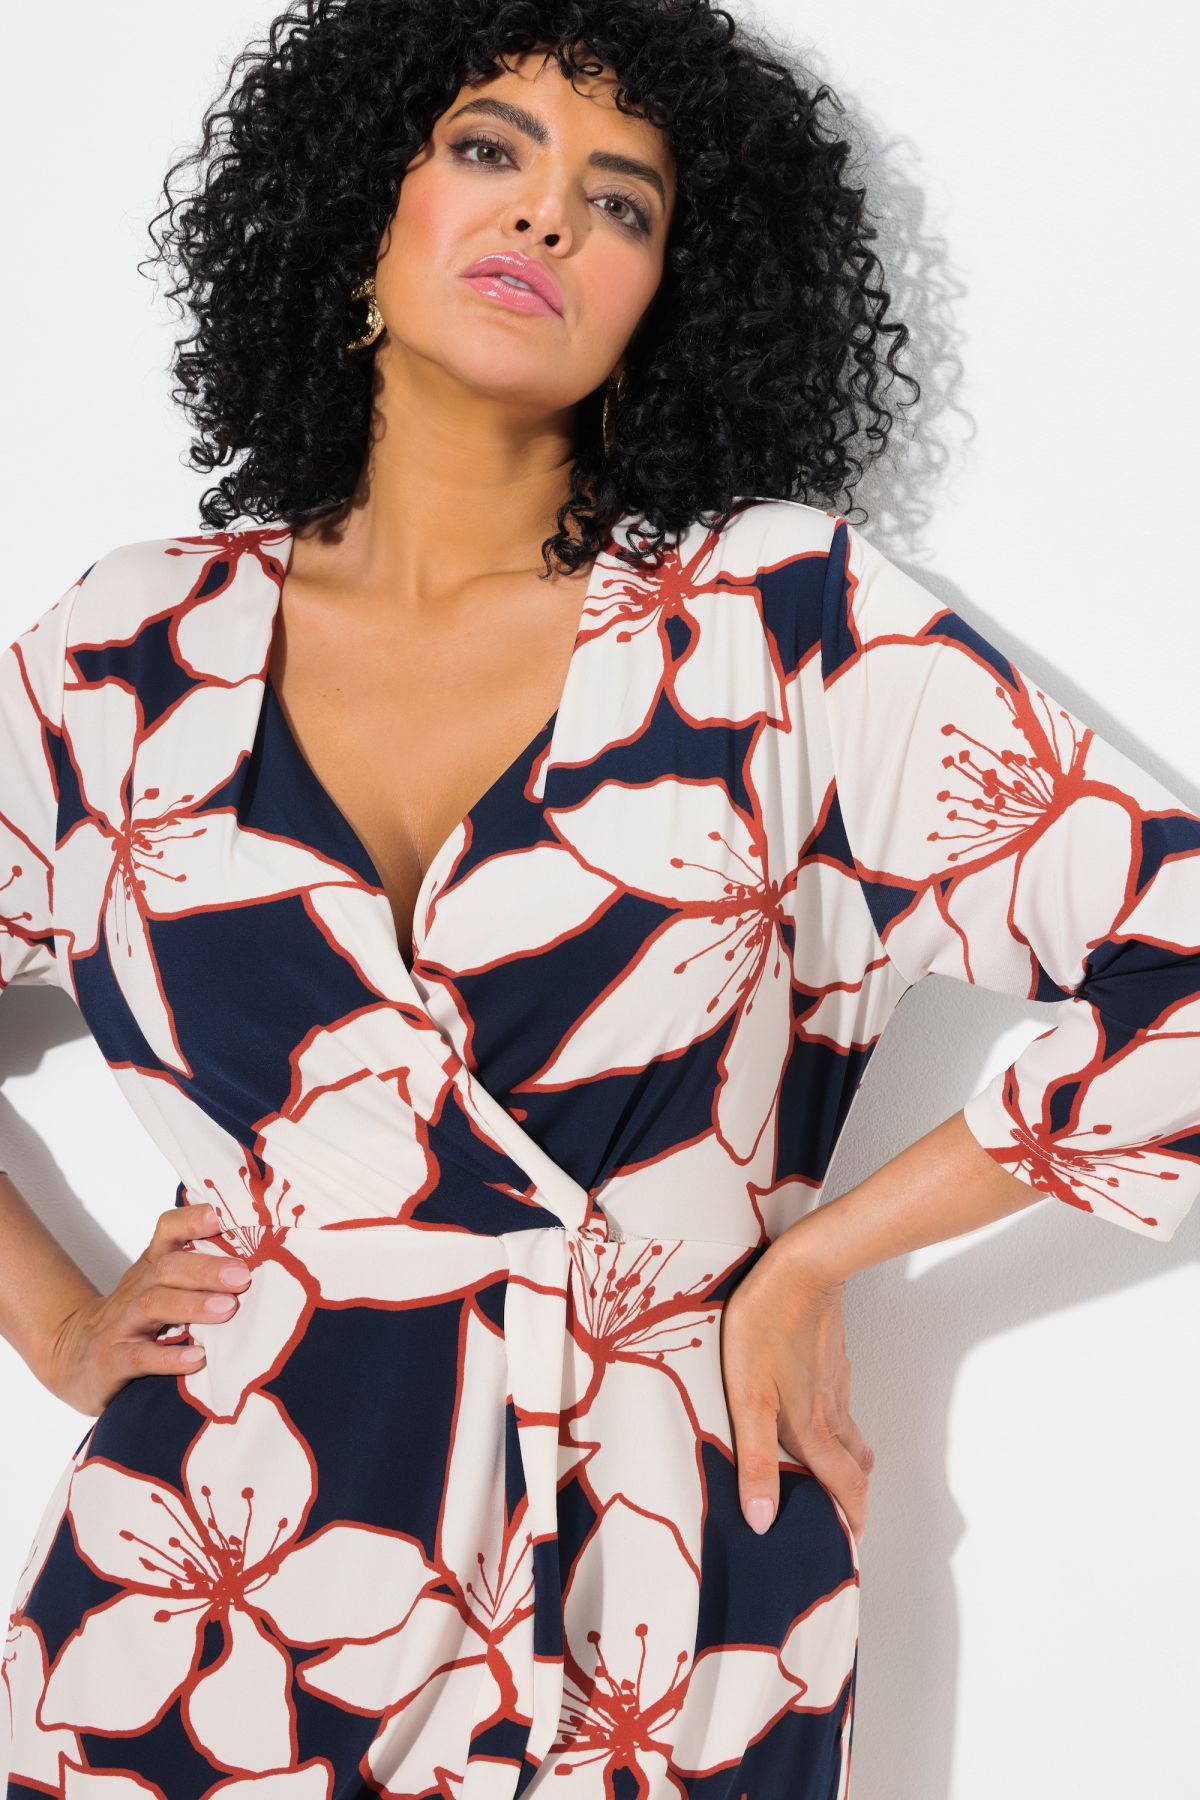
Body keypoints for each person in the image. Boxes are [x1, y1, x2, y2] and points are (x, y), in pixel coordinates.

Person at [2, 2, 1197, 1794]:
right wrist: (60, 1327)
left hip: (665, 1581)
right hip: (202, 1607)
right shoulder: (124, 651)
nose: (549, 214)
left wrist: (816, 1258)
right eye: (490, 148)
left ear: (672, 301)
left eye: (622, 201)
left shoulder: (780, 627)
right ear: (360, 207)